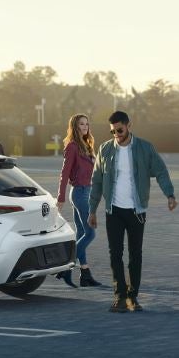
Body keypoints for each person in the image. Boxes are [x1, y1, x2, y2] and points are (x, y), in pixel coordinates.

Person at [88, 111, 177, 313]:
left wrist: (169, 195)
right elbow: (97, 182)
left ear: (129, 126)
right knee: (115, 254)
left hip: (137, 211)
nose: (116, 135)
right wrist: (92, 210)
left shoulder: (144, 148)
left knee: (135, 254)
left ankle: (132, 297)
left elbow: (161, 171)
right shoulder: (105, 149)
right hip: (114, 210)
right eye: (112, 131)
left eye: (119, 130)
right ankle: (119, 296)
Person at [54, 113, 102, 288]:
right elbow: (64, 173)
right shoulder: (73, 146)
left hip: (87, 192)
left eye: (87, 124)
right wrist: (60, 197)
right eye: (82, 124)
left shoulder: (87, 146)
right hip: (80, 193)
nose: (85, 127)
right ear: (75, 126)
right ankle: (66, 267)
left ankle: (85, 274)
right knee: (90, 234)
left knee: (82, 234)